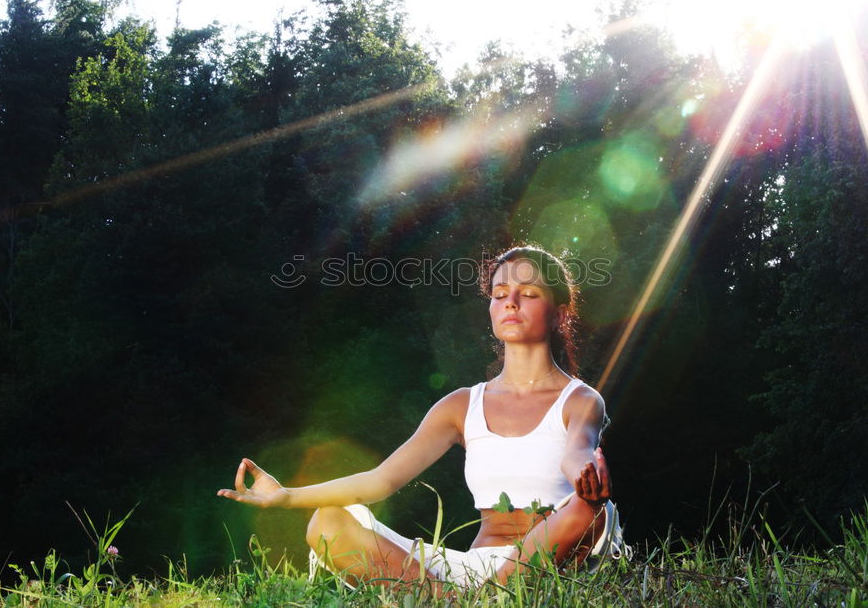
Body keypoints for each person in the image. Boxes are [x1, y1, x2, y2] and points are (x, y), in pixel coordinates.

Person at [217, 245, 624, 590]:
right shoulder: (461, 405)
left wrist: (585, 480)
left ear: (559, 313)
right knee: (328, 523)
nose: (511, 302)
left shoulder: (580, 399)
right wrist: (287, 495)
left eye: (529, 293)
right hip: (470, 572)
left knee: (594, 509)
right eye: (500, 293)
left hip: (549, 562)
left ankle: (473, 599)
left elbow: (578, 452)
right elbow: (381, 481)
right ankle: (454, 601)